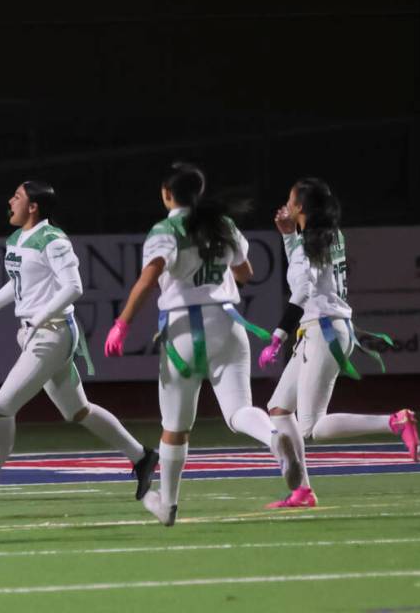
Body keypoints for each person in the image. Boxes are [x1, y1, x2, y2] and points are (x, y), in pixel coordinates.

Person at [104, 162, 301, 527]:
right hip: (228, 323)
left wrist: (122, 323)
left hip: (183, 329)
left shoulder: (165, 229)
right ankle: (273, 438)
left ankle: (170, 505)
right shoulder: (222, 224)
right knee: (239, 410)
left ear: (167, 193)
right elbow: (246, 274)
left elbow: (149, 279)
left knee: (175, 427)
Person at [0, 180, 158, 507]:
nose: (10, 200)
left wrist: (38, 320)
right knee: (78, 411)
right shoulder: (17, 239)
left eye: (17, 196)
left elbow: (73, 287)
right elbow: (16, 286)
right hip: (41, 331)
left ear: (33, 207)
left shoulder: (53, 240)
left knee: (2, 406)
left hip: (53, 333)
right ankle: (141, 456)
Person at [259, 178, 420, 508]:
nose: (286, 204)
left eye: (290, 200)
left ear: (301, 207)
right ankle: (302, 490)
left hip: (322, 332)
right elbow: (308, 277)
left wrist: (277, 336)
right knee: (278, 409)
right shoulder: (327, 236)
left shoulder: (312, 241)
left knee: (312, 426)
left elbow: (303, 291)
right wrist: (289, 236)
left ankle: (394, 422)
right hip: (325, 328)